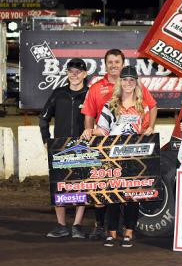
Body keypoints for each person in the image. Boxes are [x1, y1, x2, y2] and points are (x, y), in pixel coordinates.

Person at [80, 49, 157, 240]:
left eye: (131, 80)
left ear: (135, 82)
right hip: (113, 154)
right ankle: (110, 231)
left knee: (132, 194)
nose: (128, 83)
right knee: (113, 192)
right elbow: (103, 129)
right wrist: (90, 132)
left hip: (133, 155)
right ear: (120, 82)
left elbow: (146, 127)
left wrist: (149, 130)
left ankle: (129, 230)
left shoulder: (142, 106)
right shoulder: (110, 105)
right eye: (125, 80)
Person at [39, 58, 89, 239]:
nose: (74, 75)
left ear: (84, 74)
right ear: (67, 73)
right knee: (59, 186)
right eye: (71, 71)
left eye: (78, 71)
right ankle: (61, 225)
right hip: (59, 148)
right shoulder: (58, 93)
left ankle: (77, 225)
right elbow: (43, 118)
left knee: (81, 186)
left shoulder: (90, 94)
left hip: (84, 148)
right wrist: (46, 141)